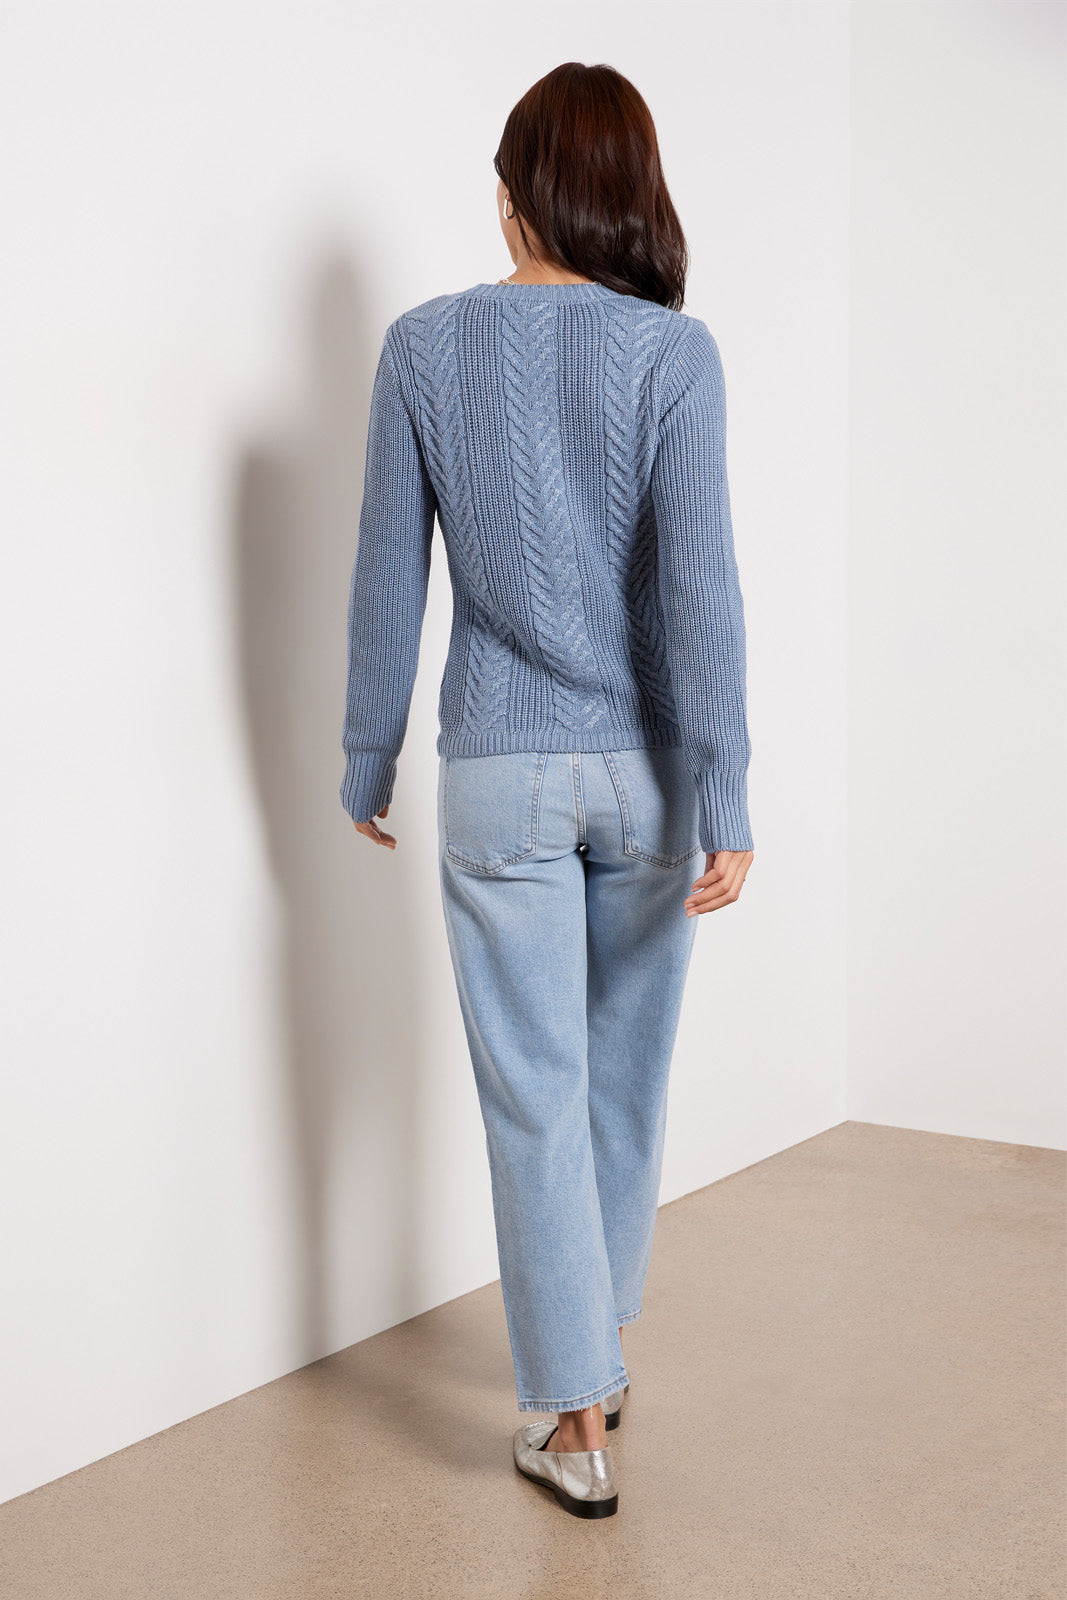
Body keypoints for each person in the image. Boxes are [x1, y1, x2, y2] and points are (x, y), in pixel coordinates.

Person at [340, 60, 755, 1520]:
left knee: (537, 1097)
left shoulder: (423, 346)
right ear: (626, 191)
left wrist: (366, 750)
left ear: (519, 193)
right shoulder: (673, 354)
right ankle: (598, 1355)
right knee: (622, 1080)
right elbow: (702, 594)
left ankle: (573, 1418)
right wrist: (730, 791)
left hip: (501, 775)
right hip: (650, 781)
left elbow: (388, 575)